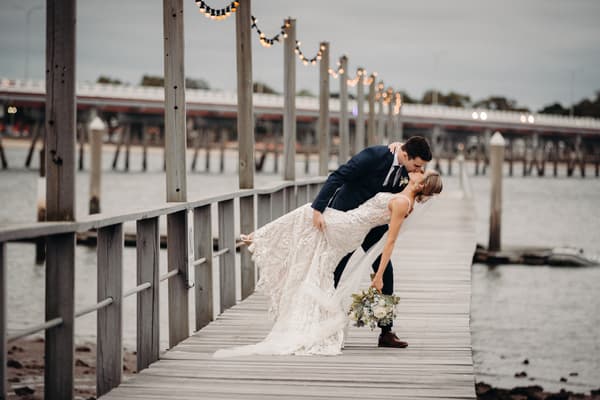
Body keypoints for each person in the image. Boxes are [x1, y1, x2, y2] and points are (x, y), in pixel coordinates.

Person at [215, 168, 443, 358]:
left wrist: (379, 274)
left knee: (308, 213)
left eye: (421, 173)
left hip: (350, 227)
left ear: (421, 185)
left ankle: (259, 237)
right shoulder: (402, 194)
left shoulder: (404, 203)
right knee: (317, 260)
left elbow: (390, 241)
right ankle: (314, 317)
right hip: (349, 223)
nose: (416, 171)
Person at [312, 136, 432, 348]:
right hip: (350, 218)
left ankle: (386, 331)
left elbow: (414, 189)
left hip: (373, 225)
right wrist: (318, 209)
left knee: (386, 271)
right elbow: (338, 176)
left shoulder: (408, 170)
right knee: (336, 269)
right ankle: (322, 324)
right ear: (405, 155)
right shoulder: (374, 156)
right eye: (416, 165)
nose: (418, 170)